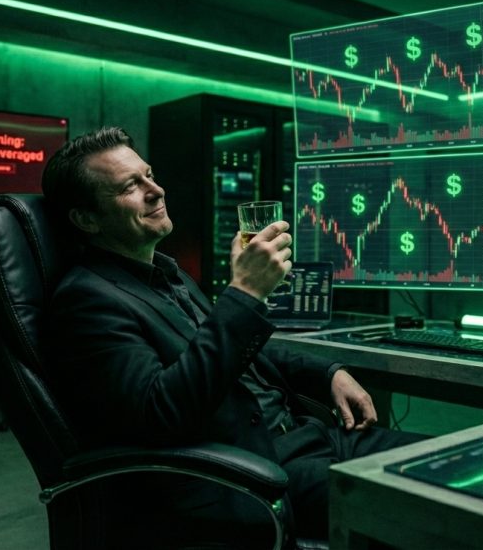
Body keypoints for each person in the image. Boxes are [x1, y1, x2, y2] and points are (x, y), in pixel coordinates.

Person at [42, 127, 423, 545]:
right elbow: (161, 412)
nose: (156, 190)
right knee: (439, 510)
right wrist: (245, 293)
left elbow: (242, 352)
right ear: (86, 218)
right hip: (256, 471)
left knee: (451, 466)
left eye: (149, 174)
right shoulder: (86, 300)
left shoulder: (168, 276)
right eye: (130, 186)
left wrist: (328, 372)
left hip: (310, 437)